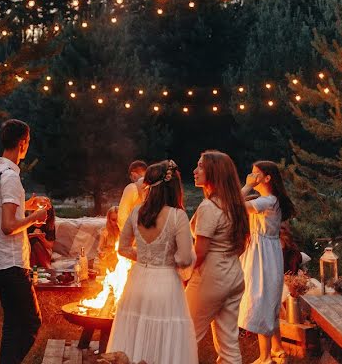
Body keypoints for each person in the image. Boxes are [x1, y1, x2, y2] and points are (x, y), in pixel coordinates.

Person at [106, 161, 198, 364]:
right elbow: (184, 258)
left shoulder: (137, 212)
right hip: (166, 283)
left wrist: (147, 255)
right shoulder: (178, 216)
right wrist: (164, 257)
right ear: (174, 188)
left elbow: (122, 248)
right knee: (165, 336)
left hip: (137, 280)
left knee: (135, 333)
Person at [0, 119, 51, 364]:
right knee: (31, 323)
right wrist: (36, 217)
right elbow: (8, 226)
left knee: (13, 324)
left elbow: (0, 210)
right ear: (23, 143)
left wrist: (25, 206)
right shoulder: (11, 177)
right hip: (12, 262)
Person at [185, 151, 250, 364]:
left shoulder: (209, 207)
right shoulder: (234, 204)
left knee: (184, 333)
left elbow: (200, 251)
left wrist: (184, 275)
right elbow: (240, 245)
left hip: (211, 277)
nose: (195, 171)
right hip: (234, 273)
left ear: (215, 172)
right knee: (229, 343)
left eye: (201, 166)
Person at [239, 161, 297, 364]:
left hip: (262, 256)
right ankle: (277, 348)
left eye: (255, 174)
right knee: (268, 302)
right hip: (265, 252)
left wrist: (246, 186)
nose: (251, 176)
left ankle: (264, 358)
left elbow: (234, 204)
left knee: (261, 302)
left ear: (267, 178)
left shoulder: (268, 201)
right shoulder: (269, 200)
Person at [117, 160, 148, 230]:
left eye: (131, 178)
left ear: (133, 174)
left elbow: (122, 215)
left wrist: (126, 234)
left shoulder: (132, 188)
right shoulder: (156, 187)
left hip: (138, 235)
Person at [27, 202, 56, 268]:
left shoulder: (49, 225)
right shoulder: (26, 223)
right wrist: (29, 237)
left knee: (35, 242)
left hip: (45, 252)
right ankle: (48, 268)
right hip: (29, 251)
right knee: (33, 242)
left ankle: (33, 273)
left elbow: (50, 245)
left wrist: (42, 238)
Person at [96, 206, 120, 273]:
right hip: (107, 259)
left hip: (120, 260)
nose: (116, 222)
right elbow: (99, 248)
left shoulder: (124, 231)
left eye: (118, 220)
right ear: (109, 219)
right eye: (113, 220)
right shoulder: (105, 231)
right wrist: (100, 252)